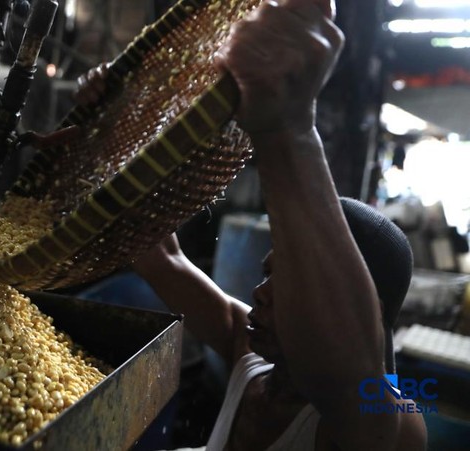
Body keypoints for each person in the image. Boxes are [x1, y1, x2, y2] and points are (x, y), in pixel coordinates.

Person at [71, 0, 428, 449]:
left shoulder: (388, 421)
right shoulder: (252, 356)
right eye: (267, 274)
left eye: (288, 285)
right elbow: (157, 254)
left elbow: (350, 382)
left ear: (360, 307)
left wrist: (290, 128)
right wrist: (114, 122)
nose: (259, 292)